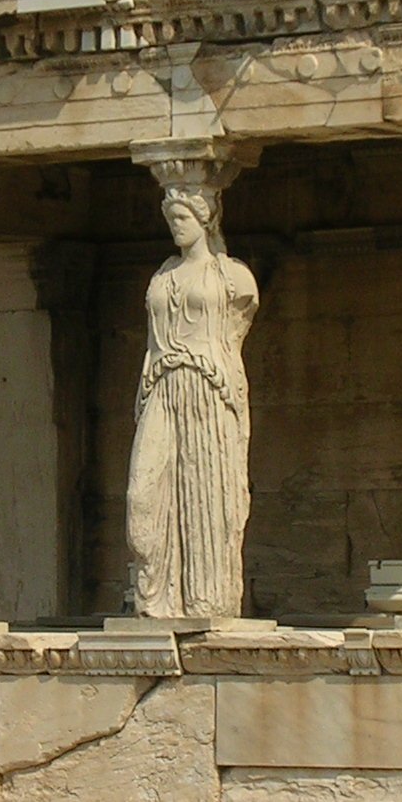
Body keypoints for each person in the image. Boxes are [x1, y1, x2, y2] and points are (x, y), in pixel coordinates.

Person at [126, 185, 259, 618]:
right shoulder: (163, 275)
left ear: (205, 221)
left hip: (208, 386)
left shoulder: (233, 277)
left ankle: (206, 601)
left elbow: (239, 321)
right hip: (162, 386)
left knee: (207, 495)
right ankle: (155, 599)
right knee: (142, 497)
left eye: (182, 219)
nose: (175, 227)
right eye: (171, 220)